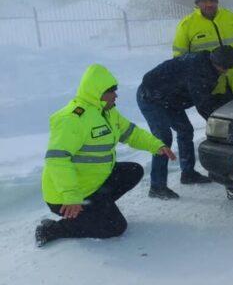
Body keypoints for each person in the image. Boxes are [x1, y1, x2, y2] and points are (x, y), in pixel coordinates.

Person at [35, 64, 175, 247]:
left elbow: (131, 133)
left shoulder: (108, 112)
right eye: (111, 91)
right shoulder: (73, 118)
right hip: (64, 196)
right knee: (115, 227)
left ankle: (95, 209)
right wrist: (71, 196)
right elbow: (56, 159)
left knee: (133, 170)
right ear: (97, 92)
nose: (116, 95)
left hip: (91, 185)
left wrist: (156, 145)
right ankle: (52, 229)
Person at [136, 46, 233, 199]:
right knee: (163, 139)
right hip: (150, 97)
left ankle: (188, 173)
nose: (226, 71)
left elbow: (205, 98)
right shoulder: (197, 71)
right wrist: (221, 129)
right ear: (215, 62)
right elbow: (203, 105)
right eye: (224, 67)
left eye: (229, 68)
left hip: (170, 99)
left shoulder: (208, 65)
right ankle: (157, 187)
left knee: (185, 130)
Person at [172, 0, 233, 117]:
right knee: (220, 125)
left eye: (213, 1)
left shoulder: (231, 17)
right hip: (211, 87)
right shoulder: (186, 25)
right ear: (197, 4)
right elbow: (180, 59)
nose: (209, 4)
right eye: (205, 1)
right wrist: (187, 84)